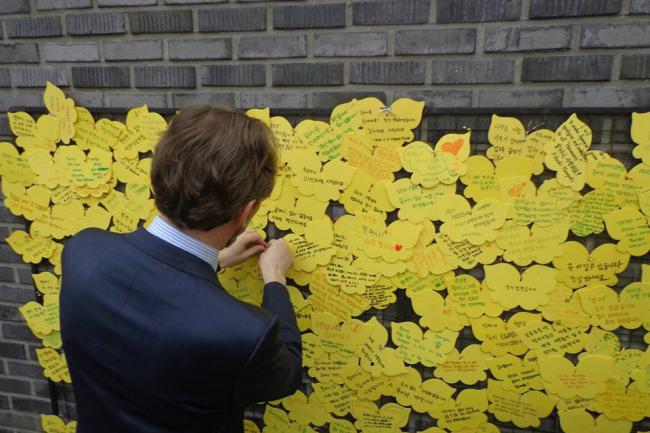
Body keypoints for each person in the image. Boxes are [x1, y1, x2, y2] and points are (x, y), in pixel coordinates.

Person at [59, 106, 303, 433]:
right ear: (246, 212)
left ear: (159, 176)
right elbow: (287, 374)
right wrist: (274, 278)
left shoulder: (83, 251)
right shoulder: (245, 332)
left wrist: (219, 258)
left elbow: (158, 288)